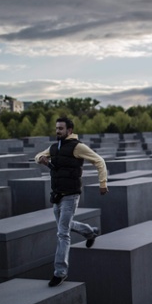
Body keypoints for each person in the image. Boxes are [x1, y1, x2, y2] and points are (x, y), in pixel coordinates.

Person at [35, 117, 108, 287]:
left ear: (69, 130)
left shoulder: (77, 147)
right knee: (65, 225)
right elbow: (38, 155)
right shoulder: (54, 147)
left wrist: (103, 183)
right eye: (56, 128)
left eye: (61, 128)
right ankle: (90, 232)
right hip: (57, 196)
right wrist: (41, 159)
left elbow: (99, 161)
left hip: (71, 196)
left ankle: (60, 273)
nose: (57, 131)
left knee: (62, 233)